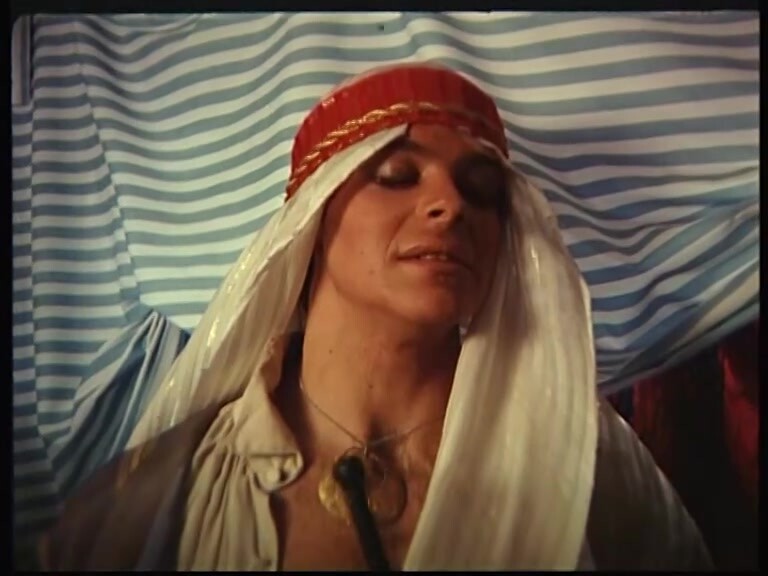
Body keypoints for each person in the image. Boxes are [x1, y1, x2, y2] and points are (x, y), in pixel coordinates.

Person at [37, 63, 713, 571]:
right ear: (311, 224)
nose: (451, 204)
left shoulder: (585, 462)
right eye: (396, 174)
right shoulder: (159, 498)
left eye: (481, 189)